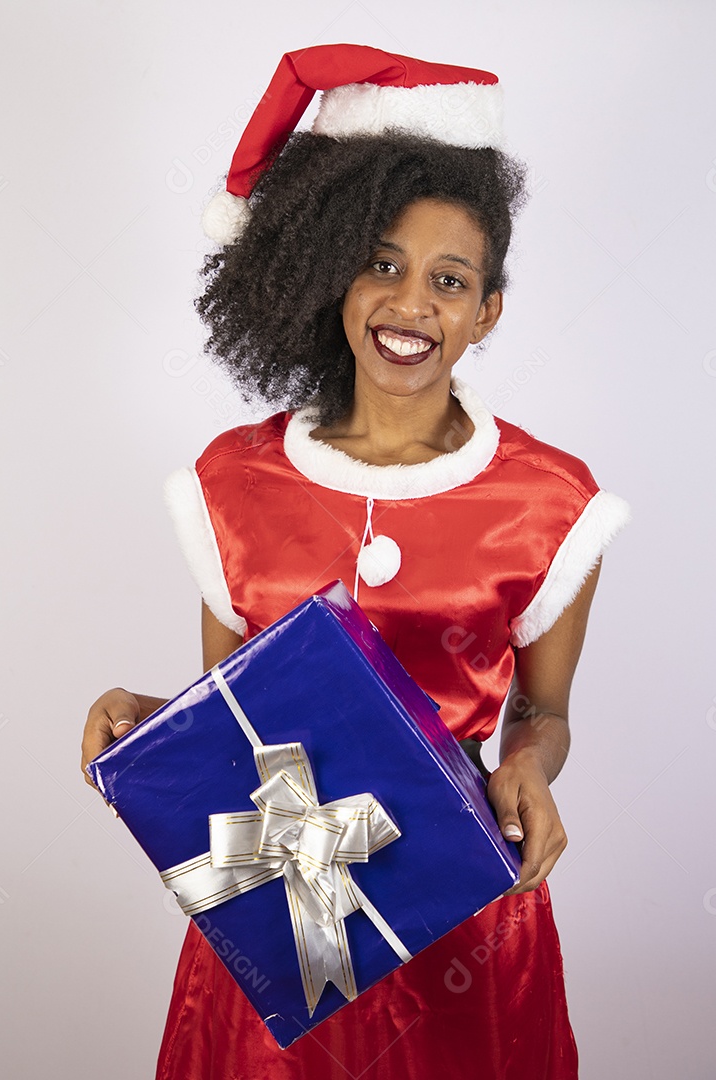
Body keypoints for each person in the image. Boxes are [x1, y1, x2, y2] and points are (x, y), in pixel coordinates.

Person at [81, 45, 630, 1079]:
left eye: (449, 280)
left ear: (486, 312)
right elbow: (233, 709)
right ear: (333, 269)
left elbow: (545, 714)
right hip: (280, 923)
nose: (409, 302)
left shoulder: (552, 501)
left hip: (459, 916)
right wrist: (145, 723)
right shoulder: (232, 482)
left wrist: (527, 767)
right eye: (380, 262)